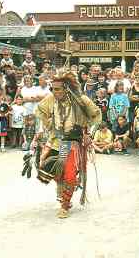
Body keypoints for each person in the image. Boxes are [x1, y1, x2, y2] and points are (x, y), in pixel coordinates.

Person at [32, 72, 101, 218]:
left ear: (67, 88)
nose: (54, 92)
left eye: (57, 89)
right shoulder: (51, 99)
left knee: (69, 175)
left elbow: (96, 115)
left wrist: (89, 134)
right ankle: (64, 191)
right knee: (52, 172)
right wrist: (46, 125)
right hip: (56, 141)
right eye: (52, 89)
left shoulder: (80, 100)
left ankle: (65, 204)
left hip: (71, 143)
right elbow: (39, 111)